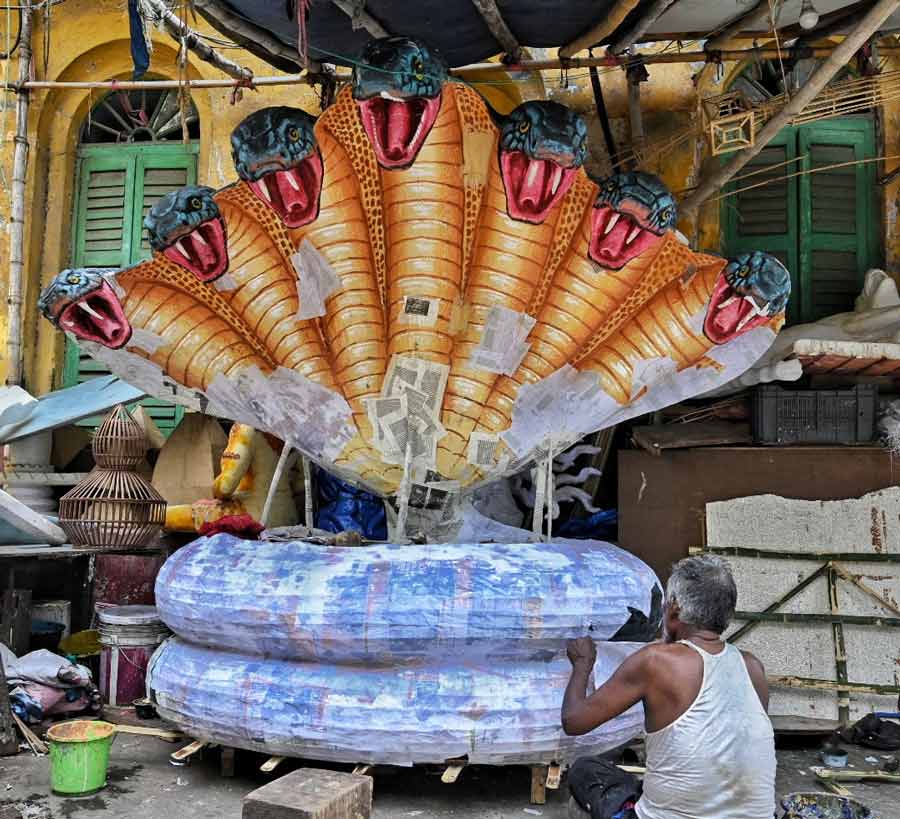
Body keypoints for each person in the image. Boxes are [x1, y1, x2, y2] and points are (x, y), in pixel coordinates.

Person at [561, 554, 775, 819]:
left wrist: (582, 663)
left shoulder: (656, 662)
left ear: (674, 610)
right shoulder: (753, 667)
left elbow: (574, 721)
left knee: (585, 770)